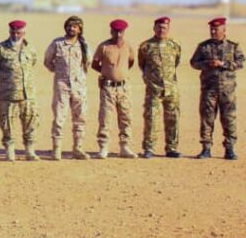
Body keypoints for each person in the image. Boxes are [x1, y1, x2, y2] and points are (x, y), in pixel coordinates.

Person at [190, 17, 244, 160]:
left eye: (216, 29)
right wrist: (207, 63)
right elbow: (194, 63)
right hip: (209, 90)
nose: (213, 31)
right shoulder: (203, 46)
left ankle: (230, 148)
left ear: (224, 30)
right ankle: (206, 148)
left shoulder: (233, 46)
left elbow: (240, 63)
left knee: (229, 119)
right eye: (211, 29)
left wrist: (223, 64)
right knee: (207, 119)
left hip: (227, 91)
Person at [0, 20, 39, 161]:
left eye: (19, 32)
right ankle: (10, 151)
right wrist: (5, 78)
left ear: (24, 32)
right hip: (8, 94)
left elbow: (33, 62)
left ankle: (30, 150)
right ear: (9, 32)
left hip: (28, 94)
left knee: (31, 122)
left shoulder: (30, 48)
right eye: (13, 32)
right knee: (7, 124)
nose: (16, 35)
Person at [43, 16, 91, 160]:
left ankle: (78, 148)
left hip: (79, 86)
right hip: (62, 85)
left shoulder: (84, 45)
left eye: (75, 26)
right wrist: (59, 73)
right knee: (59, 117)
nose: (72, 29)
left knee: (80, 117)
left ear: (80, 29)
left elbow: (87, 63)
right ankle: (56, 149)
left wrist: (79, 77)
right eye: (69, 26)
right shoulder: (57, 44)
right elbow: (47, 61)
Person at [92, 19, 137, 159]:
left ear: (124, 32)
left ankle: (125, 147)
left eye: (121, 31)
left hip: (123, 88)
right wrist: (106, 72)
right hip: (108, 88)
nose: (118, 34)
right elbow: (94, 64)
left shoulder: (128, 46)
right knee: (105, 117)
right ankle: (103, 147)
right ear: (111, 31)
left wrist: (120, 73)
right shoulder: (104, 46)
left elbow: (130, 62)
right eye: (115, 31)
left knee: (125, 117)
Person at [137, 16, 181, 158]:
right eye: (159, 27)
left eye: (165, 27)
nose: (162, 30)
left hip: (171, 89)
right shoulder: (146, 46)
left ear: (168, 28)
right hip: (153, 89)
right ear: (154, 28)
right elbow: (142, 64)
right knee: (151, 119)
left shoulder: (174, 45)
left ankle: (171, 148)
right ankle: (149, 148)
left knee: (173, 118)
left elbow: (176, 62)